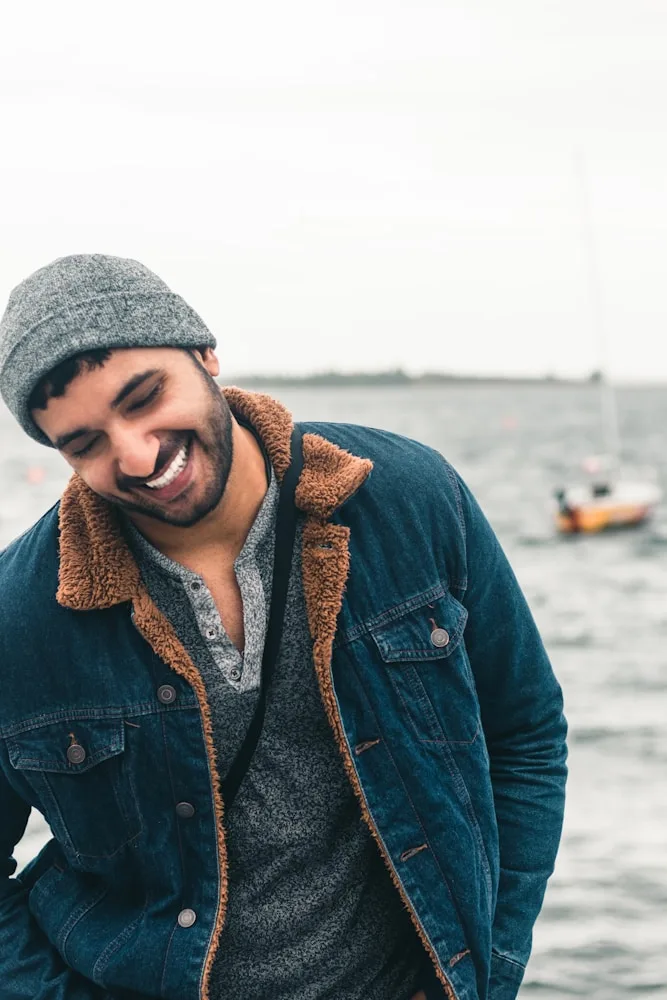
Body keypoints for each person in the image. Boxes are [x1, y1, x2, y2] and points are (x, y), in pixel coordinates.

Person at [0, 255, 567, 1000]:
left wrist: (487, 970)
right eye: (85, 444)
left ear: (204, 354)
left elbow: (524, 734)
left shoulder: (408, 498)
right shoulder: (21, 615)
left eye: (144, 398)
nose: (135, 455)